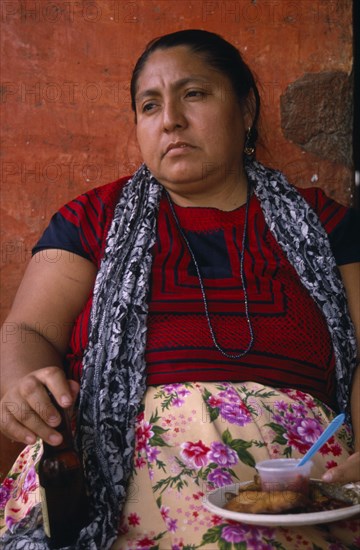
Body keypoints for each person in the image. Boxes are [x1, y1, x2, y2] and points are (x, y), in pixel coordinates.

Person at [0, 29, 359, 550]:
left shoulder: (327, 225)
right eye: (150, 105)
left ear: (246, 108)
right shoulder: (91, 220)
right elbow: (29, 328)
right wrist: (22, 384)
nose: (169, 119)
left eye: (194, 94)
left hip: (298, 485)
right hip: (115, 477)